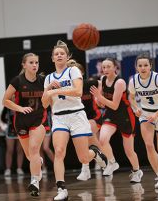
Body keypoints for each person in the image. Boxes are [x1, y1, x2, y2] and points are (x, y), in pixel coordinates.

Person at [42, 40, 107, 201]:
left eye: (62, 53)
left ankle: (96, 153)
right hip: (59, 117)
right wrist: (49, 90)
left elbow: (78, 92)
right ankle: (62, 189)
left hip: (77, 115)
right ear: (52, 58)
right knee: (58, 151)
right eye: (56, 54)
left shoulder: (73, 71)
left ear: (67, 56)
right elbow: (44, 104)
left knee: (83, 158)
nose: (59, 56)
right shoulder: (48, 78)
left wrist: (57, 90)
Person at [90, 58, 143, 182]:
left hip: (125, 116)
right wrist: (97, 99)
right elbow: (101, 104)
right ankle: (112, 162)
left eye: (108, 66)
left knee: (129, 151)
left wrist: (99, 97)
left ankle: (137, 171)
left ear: (115, 68)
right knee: (102, 140)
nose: (106, 69)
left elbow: (114, 104)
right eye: (104, 67)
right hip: (111, 115)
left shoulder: (120, 82)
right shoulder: (102, 80)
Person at [2, 53, 46, 197]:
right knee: (30, 155)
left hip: (38, 120)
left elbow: (48, 101)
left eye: (37, 62)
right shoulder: (17, 81)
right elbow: (5, 101)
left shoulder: (43, 81)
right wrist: (20, 108)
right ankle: (37, 163)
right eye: (31, 62)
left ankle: (34, 182)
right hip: (21, 121)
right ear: (24, 65)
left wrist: (52, 92)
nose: (35, 65)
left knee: (34, 149)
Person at [128, 54, 158, 188]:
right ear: (136, 67)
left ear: (150, 66)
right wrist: (135, 108)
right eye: (140, 65)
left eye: (145, 65)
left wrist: (157, 115)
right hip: (146, 114)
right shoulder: (133, 80)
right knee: (148, 145)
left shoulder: (157, 78)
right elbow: (131, 97)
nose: (143, 68)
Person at [67, 59, 103, 181]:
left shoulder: (88, 83)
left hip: (94, 116)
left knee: (87, 136)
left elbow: (100, 81)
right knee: (90, 141)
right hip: (80, 118)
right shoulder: (68, 87)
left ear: (81, 73)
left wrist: (100, 97)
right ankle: (102, 160)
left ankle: (88, 167)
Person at [0, 107, 25, 177]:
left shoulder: (21, 105)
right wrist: (7, 123)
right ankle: (8, 169)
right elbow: (2, 117)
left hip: (20, 129)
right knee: (9, 150)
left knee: (20, 150)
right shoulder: (7, 107)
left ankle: (19, 169)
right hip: (10, 130)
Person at [40, 107, 54, 174]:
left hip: (46, 126)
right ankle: (43, 168)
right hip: (36, 127)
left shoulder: (46, 103)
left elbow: (51, 114)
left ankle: (58, 164)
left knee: (46, 148)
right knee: (39, 149)